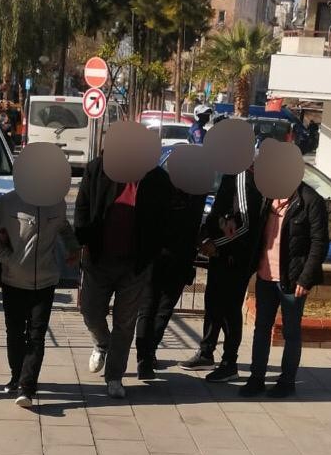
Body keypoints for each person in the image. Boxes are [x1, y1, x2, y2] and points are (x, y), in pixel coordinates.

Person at [75, 155, 172, 399]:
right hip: (99, 258)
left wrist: (152, 252)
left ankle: (114, 376)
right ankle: (102, 343)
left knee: (125, 322)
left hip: (135, 264)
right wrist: (82, 239)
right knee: (90, 311)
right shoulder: (99, 168)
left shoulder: (157, 178)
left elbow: (165, 218)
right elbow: (83, 205)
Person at [0, 189, 79, 408]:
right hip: (13, 281)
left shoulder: (56, 202)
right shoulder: (8, 202)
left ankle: (26, 387)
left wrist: (72, 247)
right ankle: (16, 376)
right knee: (15, 333)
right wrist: (8, 259)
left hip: (46, 281)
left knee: (36, 335)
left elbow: (63, 227)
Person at [240, 180, 328, 398]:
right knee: (261, 329)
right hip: (265, 276)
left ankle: (287, 382)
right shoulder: (268, 195)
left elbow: (319, 242)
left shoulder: (310, 200)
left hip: (292, 280)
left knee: (291, 332)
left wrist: (305, 279)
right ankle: (256, 379)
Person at [180, 171, 266, 382]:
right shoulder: (231, 175)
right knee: (213, 304)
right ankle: (206, 352)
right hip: (222, 256)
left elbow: (245, 224)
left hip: (234, 259)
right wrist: (207, 236)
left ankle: (229, 363)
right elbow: (220, 213)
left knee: (229, 310)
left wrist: (215, 244)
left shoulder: (243, 177)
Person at [134, 181, 206, 379]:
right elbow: (195, 226)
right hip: (180, 257)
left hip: (154, 255)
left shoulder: (158, 184)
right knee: (163, 310)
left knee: (147, 309)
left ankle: (144, 358)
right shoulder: (198, 191)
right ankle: (148, 354)